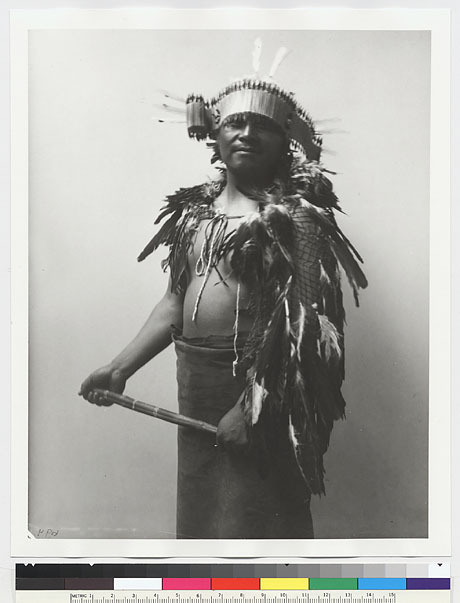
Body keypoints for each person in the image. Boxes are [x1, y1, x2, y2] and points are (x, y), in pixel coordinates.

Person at [79, 76, 367, 539]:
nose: (247, 134)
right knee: (204, 524)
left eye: (263, 125)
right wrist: (119, 368)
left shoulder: (298, 218)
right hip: (197, 384)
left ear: (286, 141)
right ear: (213, 133)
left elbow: (304, 328)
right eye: (236, 122)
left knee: (257, 527)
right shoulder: (194, 214)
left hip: (259, 389)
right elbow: (175, 301)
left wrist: (253, 406)